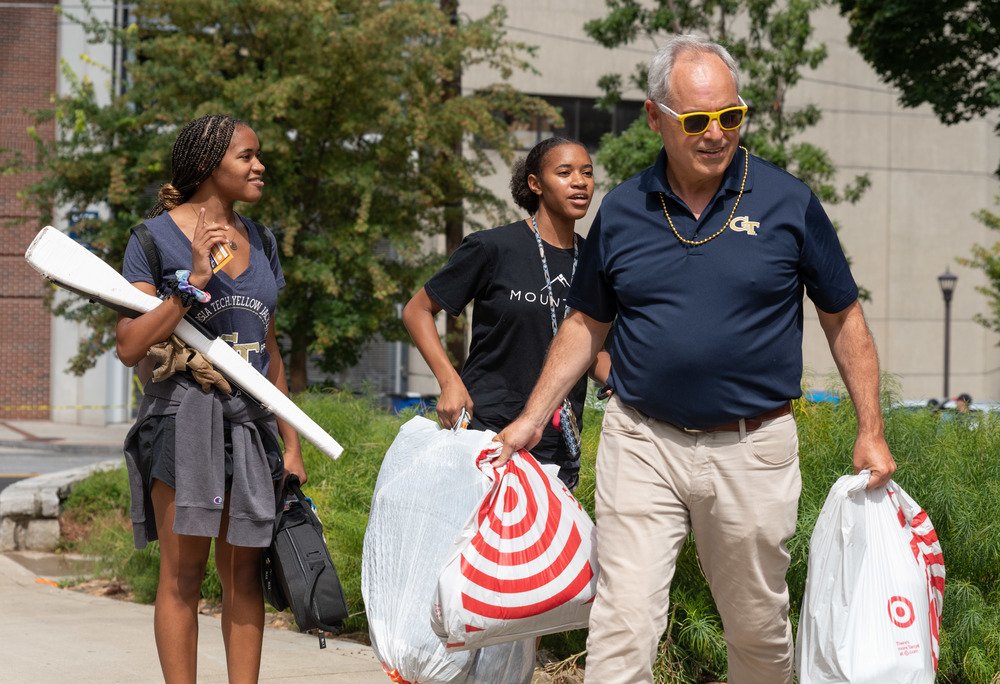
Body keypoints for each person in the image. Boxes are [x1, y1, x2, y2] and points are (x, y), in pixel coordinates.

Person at [495, 35, 896, 684]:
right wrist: (532, 417)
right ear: (655, 118)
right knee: (621, 627)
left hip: (752, 447)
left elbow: (843, 316)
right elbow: (585, 324)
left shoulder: (787, 202)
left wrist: (870, 430)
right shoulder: (623, 211)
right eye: (697, 121)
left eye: (730, 117)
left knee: (757, 632)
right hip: (642, 439)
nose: (716, 134)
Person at [116, 114, 304, 683]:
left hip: (250, 425)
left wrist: (290, 441)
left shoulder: (262, 239)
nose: (259, 165)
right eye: (246, 156)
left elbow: (270, 351)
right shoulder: (153, 239)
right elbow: (130, 345)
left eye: (258, 155)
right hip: (181, 418)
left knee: (244, 574)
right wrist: (192, 281)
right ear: (208, 166)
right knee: (184, 575)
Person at [402, 137, 609, 490]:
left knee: (545, 546)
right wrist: (450, 381)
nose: (579, 182)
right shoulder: (493, 247)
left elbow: (590, 351)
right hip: (489, 436)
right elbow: (417, 310)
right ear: (535, 184)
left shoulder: (595, 262)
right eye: (565, 172)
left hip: (557, 446)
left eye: (587, 173)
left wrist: (621, 383)